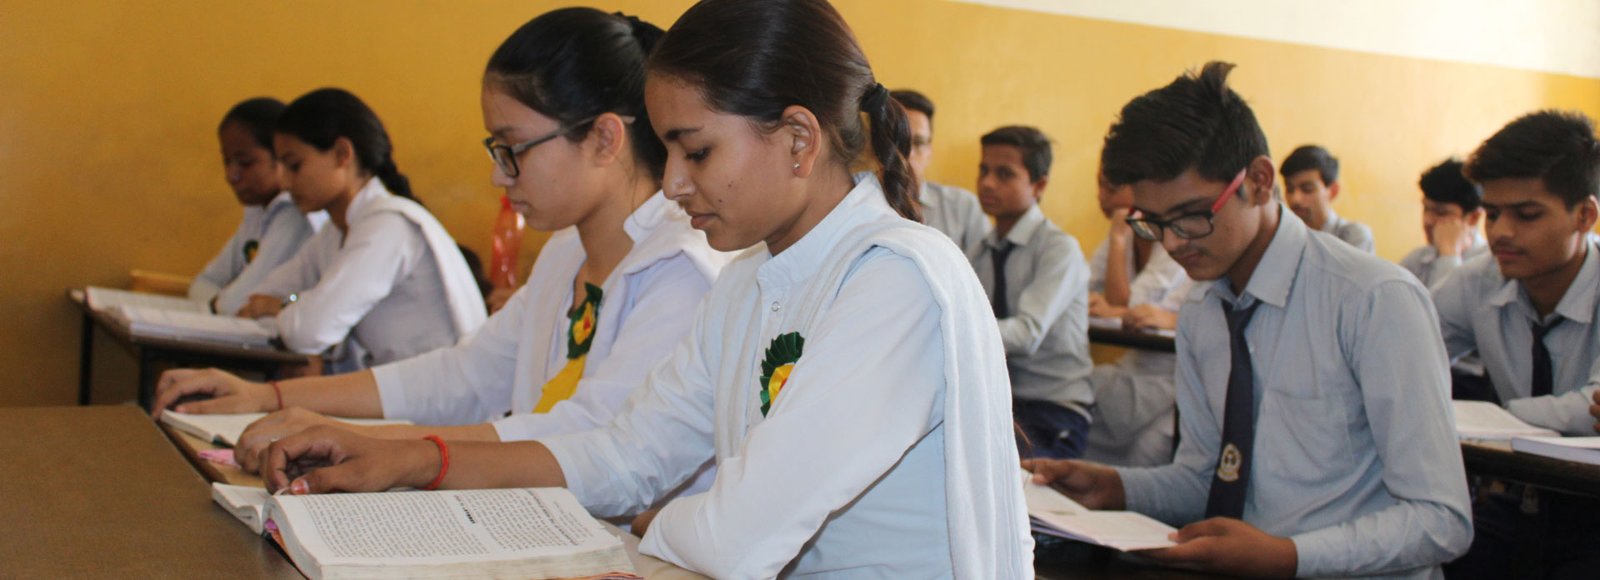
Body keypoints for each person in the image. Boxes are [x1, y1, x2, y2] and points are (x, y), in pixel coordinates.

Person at [252, 1, 1031, 577]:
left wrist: (661, 521)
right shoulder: (749, 281)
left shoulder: (895, 278)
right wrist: (416, 460)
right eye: (668, 151)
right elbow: (628, 454)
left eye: (696, 151)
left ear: (798, 139)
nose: (675, 183)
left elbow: (735, 538)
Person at [153, 9, 723, 499]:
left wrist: (377, 444)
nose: (499, 176)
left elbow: (588, 438)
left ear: (603, 138)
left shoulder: (682, 269)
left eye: (512, 148)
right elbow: (466, 374)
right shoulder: (565, 252)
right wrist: (268, 396)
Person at [1026, 61, 1470, 578]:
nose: (1172, 243)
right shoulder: (1201, 311)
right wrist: (1116, 486)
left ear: (1259, 181)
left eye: (1192, 216)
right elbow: (1208, 479)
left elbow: (1442, 519)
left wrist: (1288, 556)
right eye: (1154, 223)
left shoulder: (1372, 300)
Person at [1432, 110, 1600, 579]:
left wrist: (1496, 417)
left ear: (1585, 216)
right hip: (1517, 500)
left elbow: (1589, 407)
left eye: (1527, 215)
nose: (1500, 232)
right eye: (1492, 213)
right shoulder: (1478, 281)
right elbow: (1400, 356)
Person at [238, 88, 487, 371]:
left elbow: (309, 332)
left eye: (294, 166)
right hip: (397, 387)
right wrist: (291, 306)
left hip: (440, 392)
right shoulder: (335, 233)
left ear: (342, 154)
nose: (284, 183)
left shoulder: (388, 227)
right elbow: (257, 300)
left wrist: (281, 307)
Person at [968, 125, 1093, 459]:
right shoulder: (979, 252)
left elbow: (1026, 334)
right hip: (1000, 402)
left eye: (1004, 174)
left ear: (1039, 186)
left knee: (1006, 475)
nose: (987, 183)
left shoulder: (1058, 249)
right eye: (984, 170)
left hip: (1053, 407)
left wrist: (956, 325)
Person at [1083, 169, 1190, 466]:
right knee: (1075, 392)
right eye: (1099, 186)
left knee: (1144, 451)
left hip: (1169, 374)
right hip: (1135, 364)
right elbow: (1083, 288)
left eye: (1112, 188)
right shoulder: (1124, 234)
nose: (1102, 197)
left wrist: (1119, 239)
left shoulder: (1175, 238)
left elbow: (1129, 305)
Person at [188, 97, 326, 315]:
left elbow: (239, 302)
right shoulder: (257, 211)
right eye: (226, 161)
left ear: (281, 160)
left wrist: (219, 304)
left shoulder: (294, 214)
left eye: (245, 163)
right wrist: (219, 304)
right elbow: (205, 282)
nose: (231, 175)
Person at [892, 88, 989, 249]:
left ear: (930, 150)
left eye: (918, 143)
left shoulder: (963, 207)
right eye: (897, 141)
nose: (908, 155)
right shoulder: (858, 205)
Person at [1399, 158, 1487, 289]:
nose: (1427, 220)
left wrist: (1449, 254)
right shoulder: (1417, 260)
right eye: (1426, 208)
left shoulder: (1489, 265)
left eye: (1441, 213)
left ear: (1473, 217)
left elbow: (1449, 301)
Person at [1280, 144, 1375, 252]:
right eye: (1289, 189)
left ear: (1333, 191)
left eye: (1307, 189)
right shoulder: (1285, 237)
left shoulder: (1354, 236)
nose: (1295, 199)